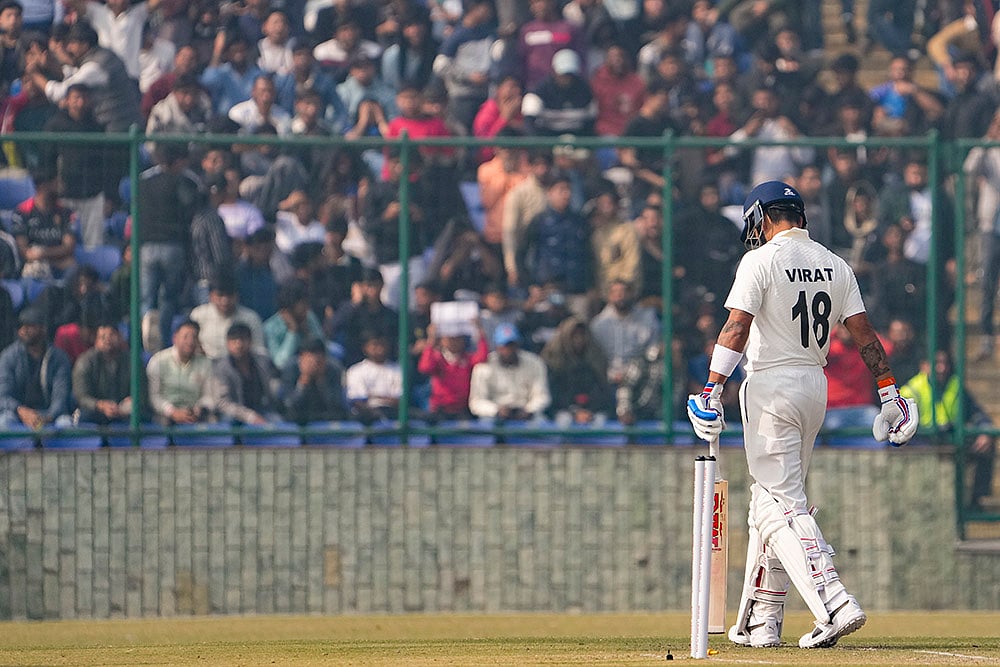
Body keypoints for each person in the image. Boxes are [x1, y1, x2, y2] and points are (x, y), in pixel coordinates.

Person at [685, 181, 918, 649]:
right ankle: (761, 619)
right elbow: (864, 334)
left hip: (771, 384)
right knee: (769, 503)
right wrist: (889, 391)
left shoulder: (760, 260)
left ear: (764, 218)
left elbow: (736, 326)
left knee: (780, 501)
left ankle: (833, 600)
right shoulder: (835, 263)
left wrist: (711, 388)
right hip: (815, 385)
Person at [900, 349, 995, 512]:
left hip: (952, 439)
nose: (942, 368)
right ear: (924, 366)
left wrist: (985, 431)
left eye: (944, 363)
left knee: (987, 445)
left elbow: (977, 413)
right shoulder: (911, 390)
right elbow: (901, 428)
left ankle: (975, 502)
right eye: (936, 363)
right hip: (924, 442)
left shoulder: (955, 385)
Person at [0, 307, 72, 428]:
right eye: (21, 327)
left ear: (43, 328)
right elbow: (3, 395)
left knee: (66, 424)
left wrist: (48, 416)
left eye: (29, 326)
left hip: (50, 414)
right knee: (4, 422)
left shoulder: (59, 357)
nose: (23, 330)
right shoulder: (8, 356)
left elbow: (61, 395)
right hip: (17, 413)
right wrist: (21, 410)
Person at [468, 323, 551, 421]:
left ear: (518, 345)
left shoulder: (535, 363)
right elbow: (476, 402)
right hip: (495, 415)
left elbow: (542, 396)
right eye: (504, 346)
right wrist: (496, 410)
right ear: (497, 347)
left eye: (512, 345)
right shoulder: (483, 367)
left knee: (542, 423)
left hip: (526, 412)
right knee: (485, 423)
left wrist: (529, 410)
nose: (509, 350)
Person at [146, 319, 214, 426]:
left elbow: (209, 396)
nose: (190, 341)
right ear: (175, 338)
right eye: (186, 336)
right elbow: (154, 397)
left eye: (194, 337)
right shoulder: (158, 360)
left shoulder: (206, 363)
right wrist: (172, 412)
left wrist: (197, 410)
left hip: (196, 414)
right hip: (165, 415)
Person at [210, 322, 280, 426]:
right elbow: (222, 403)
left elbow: (275, 384)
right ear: (227, 344)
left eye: (243, 339)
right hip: (234, 413)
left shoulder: (263, 360)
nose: (239, 345)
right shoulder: (221, 367)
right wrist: (249, 417)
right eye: (234, 341)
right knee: (228, 421)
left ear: (250, 341)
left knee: (280, 423)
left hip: (262, 409)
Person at [418, 321, 489, 419]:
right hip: (441, 410)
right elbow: (425, 367)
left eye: (457, 339)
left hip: (463, 410)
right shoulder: (438, 359)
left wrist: (479, 330)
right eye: (450, 339)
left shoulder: (467, 359)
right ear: (442, 340)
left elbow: (483, 357)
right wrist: (431, 340)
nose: (454, 342)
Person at [71, 322, 138, 425]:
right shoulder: (85, 361)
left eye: (112, 335)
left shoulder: (132, 361)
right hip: (95, 411)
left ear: (120, 337)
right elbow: (82, 397)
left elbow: (141, 392)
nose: (108, 340)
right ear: (96, 341)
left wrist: (131, 400)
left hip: (123, 411)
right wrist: (100, 405)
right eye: (102, 337)